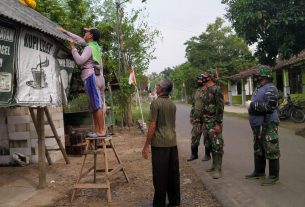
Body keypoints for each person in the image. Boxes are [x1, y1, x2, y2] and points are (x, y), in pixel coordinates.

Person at [58, 27, 106, 137]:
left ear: (91, 36)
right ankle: (99, 130)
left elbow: (80, 61)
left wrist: (73, 48)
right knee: (97, 105)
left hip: (91, 77)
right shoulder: (96, 46)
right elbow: (79, 39)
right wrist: (66, 32)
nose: (85, 33)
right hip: (100, 77)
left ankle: (101, 131)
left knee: (96, 106)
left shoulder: (89, 47)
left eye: (87, 32)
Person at [142, 80, 180, 207]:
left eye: (157, 86)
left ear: (162, 89)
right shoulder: (172, 104)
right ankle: (175, 202)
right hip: (172, 143)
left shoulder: (155, 103)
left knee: (159, 175)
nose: (156, 87)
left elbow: (153, 125)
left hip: (159, 145)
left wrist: (146, 145)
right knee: (173, 174)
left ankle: (159, 203)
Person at [245, 67, 280, 186]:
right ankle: (259, 172)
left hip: (268, 123)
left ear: (264, 76)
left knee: (271, 147)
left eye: (258, 75)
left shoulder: (270, 88)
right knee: (258, 148)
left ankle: (273, 176)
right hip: (257, 124)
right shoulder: (259, 87)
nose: (256, 77)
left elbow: (271, 106)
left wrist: (252, 105)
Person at [201, 68, 224, 179]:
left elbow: (220, 107)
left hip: (214, 122)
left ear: (209, 76)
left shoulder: (216, 89)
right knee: (209, 144)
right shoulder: (206, 89)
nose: (203, 76)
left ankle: (218, 169)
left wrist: (218, 123)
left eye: (205, 74)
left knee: (217, 145)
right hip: (206, 122)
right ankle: (213, 165)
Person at [187, 75, 211, 162]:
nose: (198, 81)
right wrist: (191, 115)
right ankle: (194, 154)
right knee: (194, 135)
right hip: (196, 118)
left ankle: (207, 155)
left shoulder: (208, 90)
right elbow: (193, 104)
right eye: (198, 80)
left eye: (200, 80)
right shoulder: (196, 91)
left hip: (206, 118)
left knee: (206, 137)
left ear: (204, 81)